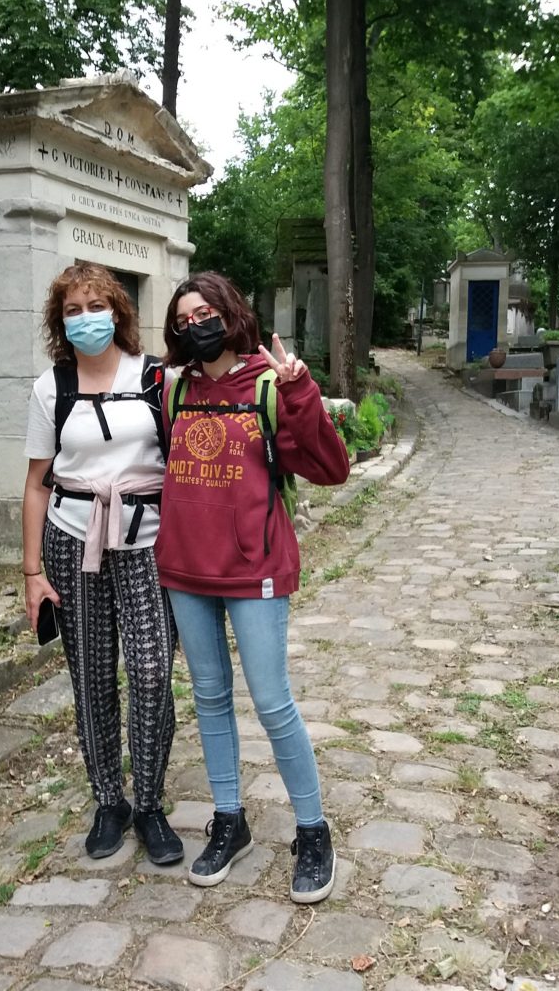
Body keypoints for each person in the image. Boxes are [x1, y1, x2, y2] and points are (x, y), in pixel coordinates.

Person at [155, 271, 350, 904]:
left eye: (205, 312)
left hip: (255, 569)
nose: (196, 326)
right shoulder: (174, 389)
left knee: (271, 703)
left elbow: (331, 468)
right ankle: (229, 819)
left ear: (230, 312)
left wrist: (300, 391)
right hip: (186, 568)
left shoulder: (269, 386)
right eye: (183, 320)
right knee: (209, 698)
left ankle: (313, 831)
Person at [21, 263, 181, 864]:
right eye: (72, 310)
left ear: (118, 311)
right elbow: (37, 484)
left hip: (146, 542)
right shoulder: (50, 388)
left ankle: (151, 803)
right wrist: (32, 572)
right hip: (72, 541)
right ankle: (109, 801)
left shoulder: (156, 379)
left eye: (96, 306)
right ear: (60, 322)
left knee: (148, 670)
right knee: (90, 677)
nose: (85, 318)